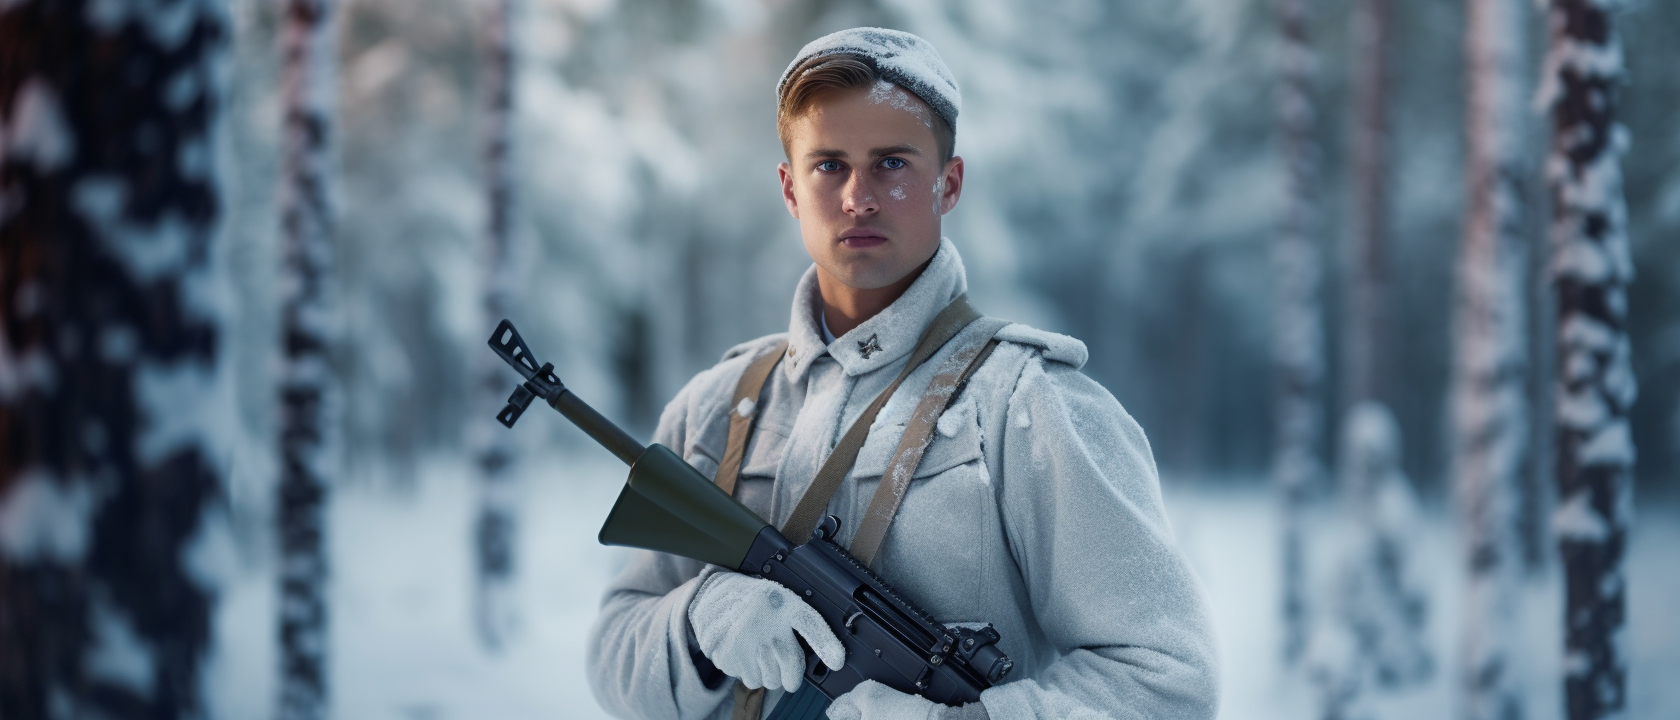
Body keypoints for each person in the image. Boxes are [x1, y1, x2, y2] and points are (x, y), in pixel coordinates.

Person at [587, 27, 1219, 720]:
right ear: (790, 189)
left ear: (948, 184)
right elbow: (615, 661)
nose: (859, 196)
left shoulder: (1030, 408)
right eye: (828, 165)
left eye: (891, 163)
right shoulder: (719, 407)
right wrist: (699, 623)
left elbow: (1169, 681)